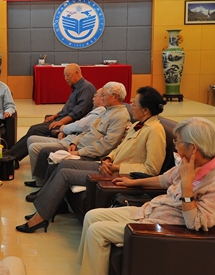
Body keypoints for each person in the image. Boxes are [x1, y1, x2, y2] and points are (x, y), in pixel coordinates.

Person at [65, 117, 215, 275]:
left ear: (193, 148)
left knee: (98, 231)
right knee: (92, 216)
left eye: (177, 142)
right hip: (151, 211)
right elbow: (164, 180)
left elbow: (194, 223)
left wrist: (187, 187)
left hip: (168, 228)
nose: (175, 146)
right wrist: (133, 183)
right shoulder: (189, 164)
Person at [17, 86, 167, 233]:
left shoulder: (155, 130)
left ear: (145, 110)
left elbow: (151, 169)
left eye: (134, 104)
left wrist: (118, 168)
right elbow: (118, 148)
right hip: (107, 166)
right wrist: (108, 158)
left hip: (120, 175)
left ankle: (40, 218)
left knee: (65, 174)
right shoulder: (137, 125)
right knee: (63, 163)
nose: (131, 106)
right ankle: (48, 207)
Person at [26, 82, 131, 197]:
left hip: (89, 154)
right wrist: (74, 142)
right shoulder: (107, 111)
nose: (101, 98)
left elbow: (107, 144)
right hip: (79, 146)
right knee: (51, 155)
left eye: (104, 95)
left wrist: (79, 152)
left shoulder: (119, 116)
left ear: (115, 97)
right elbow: (88, 130)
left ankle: (45, 193)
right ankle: (44, 191)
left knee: (52, 155)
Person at [8, 63, 96, 165]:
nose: (65, 78)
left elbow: (78, 112)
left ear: (77, 73)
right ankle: (12, 154)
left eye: (67, 75)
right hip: (63, 118)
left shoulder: (86, 88)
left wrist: (60, 122)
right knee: (35, 128)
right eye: (64, 76)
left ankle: (12, 156)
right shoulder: (76, 87)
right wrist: (55, 116)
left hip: (70, 124)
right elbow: (67, 108)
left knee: (35, 130)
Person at [24, 88, 105, 188]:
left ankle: (40, 183)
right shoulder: (95, 110)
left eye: (95, 96)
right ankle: (38, 180)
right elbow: (82, 127)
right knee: (31, 139)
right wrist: (63, 131)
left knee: (34, 147)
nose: (92, 98)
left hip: (72, 143)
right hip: (71, 138)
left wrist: (63, 128)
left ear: (103, 98)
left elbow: (80, 126)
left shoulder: (101, 111)